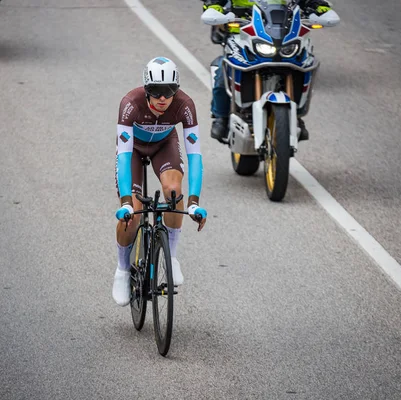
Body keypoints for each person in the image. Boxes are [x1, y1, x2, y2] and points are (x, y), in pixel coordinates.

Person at [112, 57, 208, 306]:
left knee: (174, 193)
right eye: (155, 91)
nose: (162, 98)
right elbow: (123, 157)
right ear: (146, 90)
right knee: (132, 214)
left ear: (176, 90)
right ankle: (122, 271)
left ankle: (171, 256)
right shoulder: (129, 104)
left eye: (169, 91)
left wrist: (194, 202)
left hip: (164, 145)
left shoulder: (185, 105)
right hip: (133, 150)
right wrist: (125, 202)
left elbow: (195, 155)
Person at [202, 0, 334, 143]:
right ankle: (221, 117)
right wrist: (214, 6)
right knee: (223, 69)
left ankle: (297, 116)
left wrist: (318, 6)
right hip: (241, 34)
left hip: (283, 36)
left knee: (304, 62)